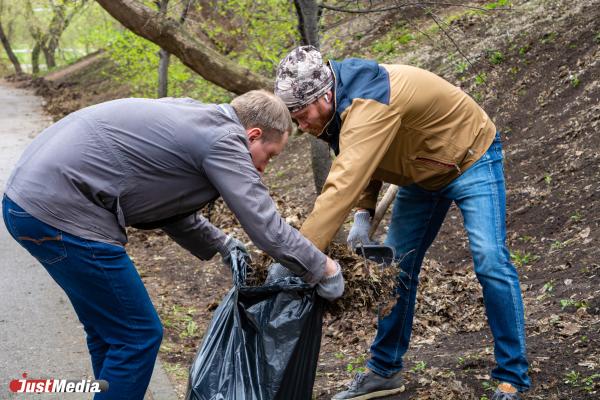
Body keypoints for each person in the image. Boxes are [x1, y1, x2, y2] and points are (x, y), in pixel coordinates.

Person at [2, 90, 344, 400]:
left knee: (110, 331)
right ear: (253, 135)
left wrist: (223, 244)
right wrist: (323, 269)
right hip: (62, 212)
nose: (263, 168)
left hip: (25, 202)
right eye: (269, 155)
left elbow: (168, 207)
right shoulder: (225, 140)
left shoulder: (196, 118)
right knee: (138, 334)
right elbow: (266, 226)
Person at [273, 46, 530, 400]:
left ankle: (512, 376)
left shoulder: (367, 102)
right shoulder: (340, 107)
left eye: (301, 116)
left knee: (489, 260)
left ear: (325, 95)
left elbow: (342, 183)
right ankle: (384, 370)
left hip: (471, 156)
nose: (301, 126)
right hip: (421, 174)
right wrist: (364, 213)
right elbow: (361, 157)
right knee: (398, 269)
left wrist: (297, 257)